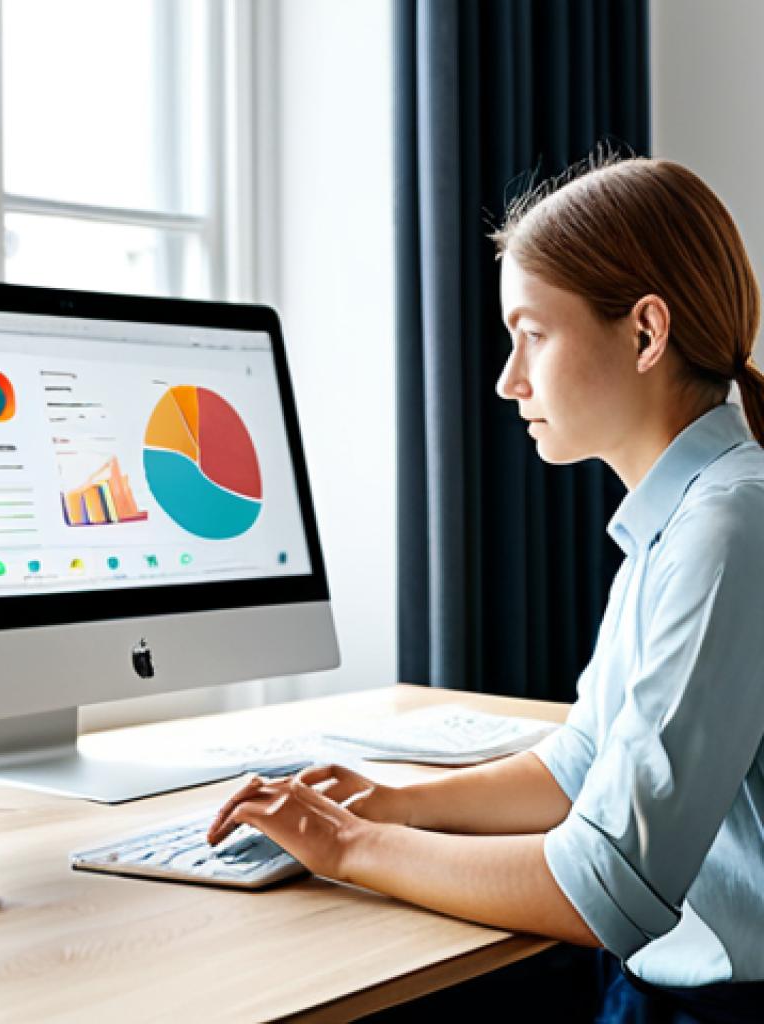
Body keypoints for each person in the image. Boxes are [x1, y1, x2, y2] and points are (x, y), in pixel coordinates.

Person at [208, 153, 764, 1024]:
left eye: (532, 334)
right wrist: (395, 803)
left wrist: (348, 845)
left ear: (646, 333)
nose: (509, 379)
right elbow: (583, 764)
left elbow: (606, 882)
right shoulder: (687, 515)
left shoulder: (727, 527)